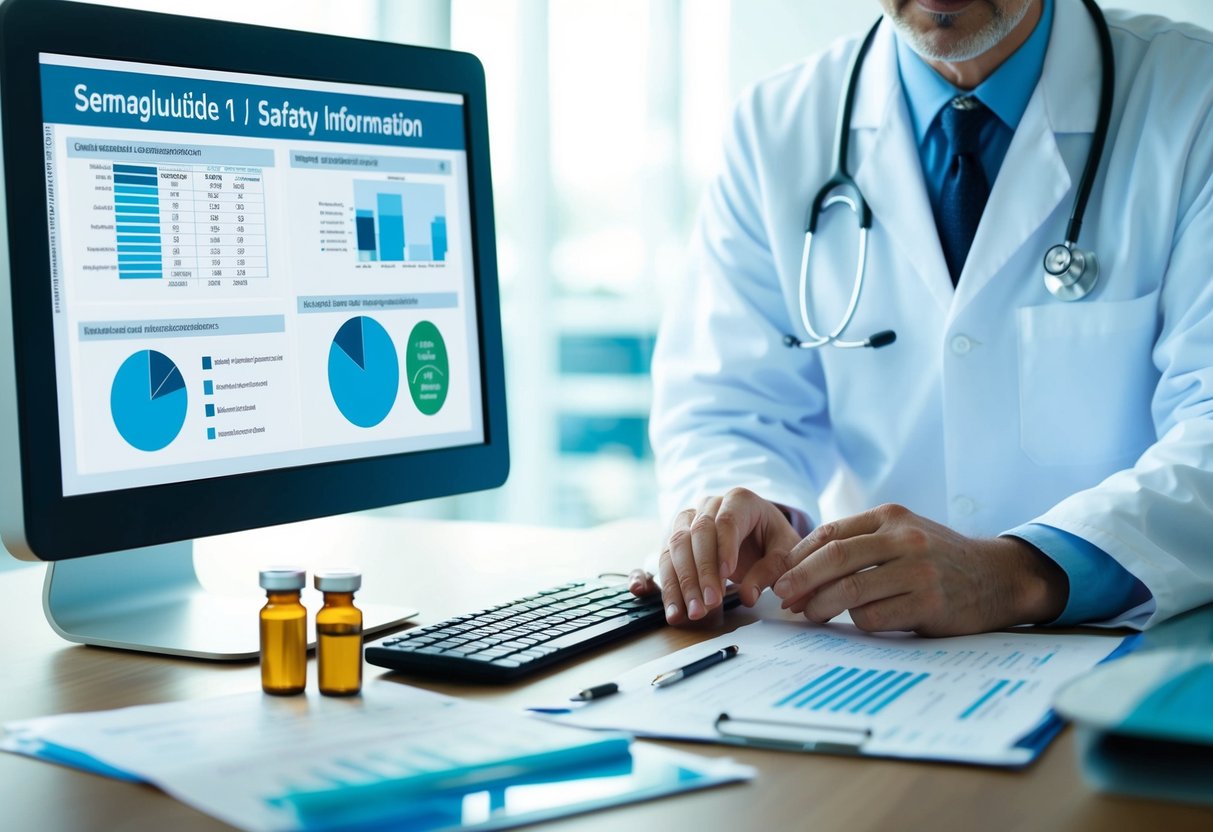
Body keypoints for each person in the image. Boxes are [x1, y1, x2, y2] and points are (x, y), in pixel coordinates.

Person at [629, 0, 1213, 635]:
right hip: (868, 657)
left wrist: (1018, 573)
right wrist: (750, 514)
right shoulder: (777, 126)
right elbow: (731, 405)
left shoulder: (1194, 98)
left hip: (1133, 651)